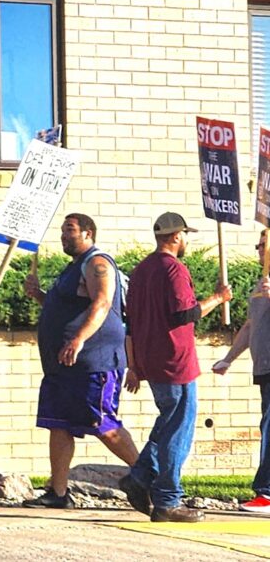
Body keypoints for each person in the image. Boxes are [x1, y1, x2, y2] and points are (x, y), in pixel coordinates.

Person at [21, 213, 140, 509]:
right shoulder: (72, 268)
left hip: (93, 362)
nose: (63, 235)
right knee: (58, 424)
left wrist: (78, 339)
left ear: (88, 233)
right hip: (62, 366)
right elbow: (67, 306)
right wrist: (39, 295)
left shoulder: (98, 263)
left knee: (103, 424)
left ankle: (149, 477)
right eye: (62, 230)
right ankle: (58, 493)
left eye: (70, 230)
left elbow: (103, 303)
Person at [121, 212, 231, 523]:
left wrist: (134, 364)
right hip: (176, 361)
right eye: (185, 234)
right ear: (175, 236)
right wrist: (218, 298)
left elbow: (131, 323)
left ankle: (140, 476)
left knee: (168, 423)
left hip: (151, 360)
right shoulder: (174, 269)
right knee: (177, 432)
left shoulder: (141, 271)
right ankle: (167, 500)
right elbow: (186, 314)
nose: (186, 240)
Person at [211, 230, 270, 514]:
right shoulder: (261, 283)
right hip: (264, 368)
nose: (259, 250)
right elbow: (250, 326)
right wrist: (228, 358)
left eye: (264, 245)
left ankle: (267, 493)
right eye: (258, 245)